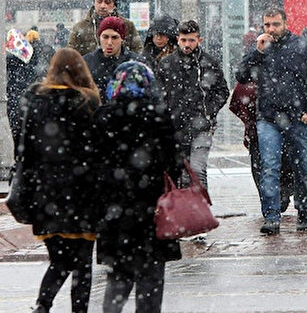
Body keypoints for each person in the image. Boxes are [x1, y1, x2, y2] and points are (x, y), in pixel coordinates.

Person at [94, 61, 183, 313]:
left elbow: (93, 164)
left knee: (119, 275)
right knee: (151, 275)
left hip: (116, 212)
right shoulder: (159, 116)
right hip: (153, 210)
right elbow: (174, 163)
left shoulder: (104, 117)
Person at [20, 48, 101, 313]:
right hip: (81, 194)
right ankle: (78, 309)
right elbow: (97, 151)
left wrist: (29, 190)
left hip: (46, 196)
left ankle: (43, 304)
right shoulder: (87, 102)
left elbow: (26, 153)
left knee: (60, 259)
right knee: (83, 263)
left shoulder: (36, 102)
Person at [236, 8, 307, 234]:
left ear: (285, 23)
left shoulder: (302, 47)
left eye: (275, 24)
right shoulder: (261, 49)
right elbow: (242, 76)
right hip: (268, 117)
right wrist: (257, 52)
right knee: (269, 167)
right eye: (267, 25)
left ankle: (303, 210)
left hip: (297, 117)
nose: (271, 29)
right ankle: (272, 216)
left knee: (302, 166)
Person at [156, 20, 229, 188]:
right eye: (183, 40)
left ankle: (199, 209)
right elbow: (158, 94)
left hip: (202, 125)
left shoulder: (209, 63)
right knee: (179, 172)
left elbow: (222, 91)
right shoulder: (167, 64)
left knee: (197, 170)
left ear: (199, 40)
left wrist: (209, 110)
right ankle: (186, 208)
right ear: (177, 39)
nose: (187, 44)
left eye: (191, 40)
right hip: (175, 126)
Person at [228, 80, 295, 213]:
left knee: (281, 160)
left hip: (278, 123)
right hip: (258, 128)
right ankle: (269, 199)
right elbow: (237, 101)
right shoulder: (249, 80)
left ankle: (280, 193)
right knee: (261, 164)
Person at [5, 29, 54, 143]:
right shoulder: (34, 51)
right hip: (29, 88)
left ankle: (18, 140)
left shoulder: (10, 54)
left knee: (15, 119)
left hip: (14, 90)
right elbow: (40, 68)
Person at [83, 16, 146, 103]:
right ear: (99, 38)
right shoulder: (87, 62)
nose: (109, 43)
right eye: (105, 37)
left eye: (114, 37)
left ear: (122, 39)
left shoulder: (136, 63)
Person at [66, 0, 142, 55]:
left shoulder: (127, 25)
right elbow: (71, 55)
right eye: (99, 1)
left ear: (114, 5)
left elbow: (138, 51)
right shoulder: (80, 27)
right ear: (94, 3)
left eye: (107, 2)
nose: (103, 6)